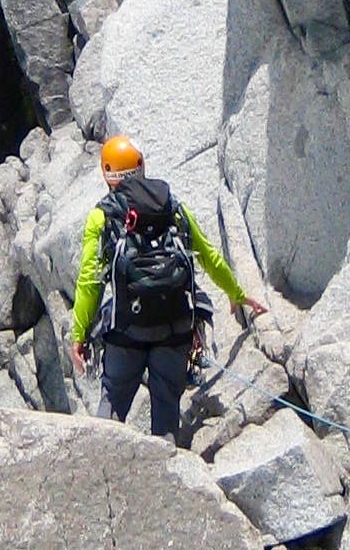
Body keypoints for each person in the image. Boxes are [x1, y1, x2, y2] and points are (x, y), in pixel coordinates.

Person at [70, 136, 263, 439]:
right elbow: (209, 256)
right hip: (175, 330)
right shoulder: (172, 208)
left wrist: (79, 335)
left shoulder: (101, 216)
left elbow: (89, 282)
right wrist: (237, 294)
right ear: (141, 165)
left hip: (126, 332)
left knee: (110, 415)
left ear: (107, 174)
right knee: (166, 416)